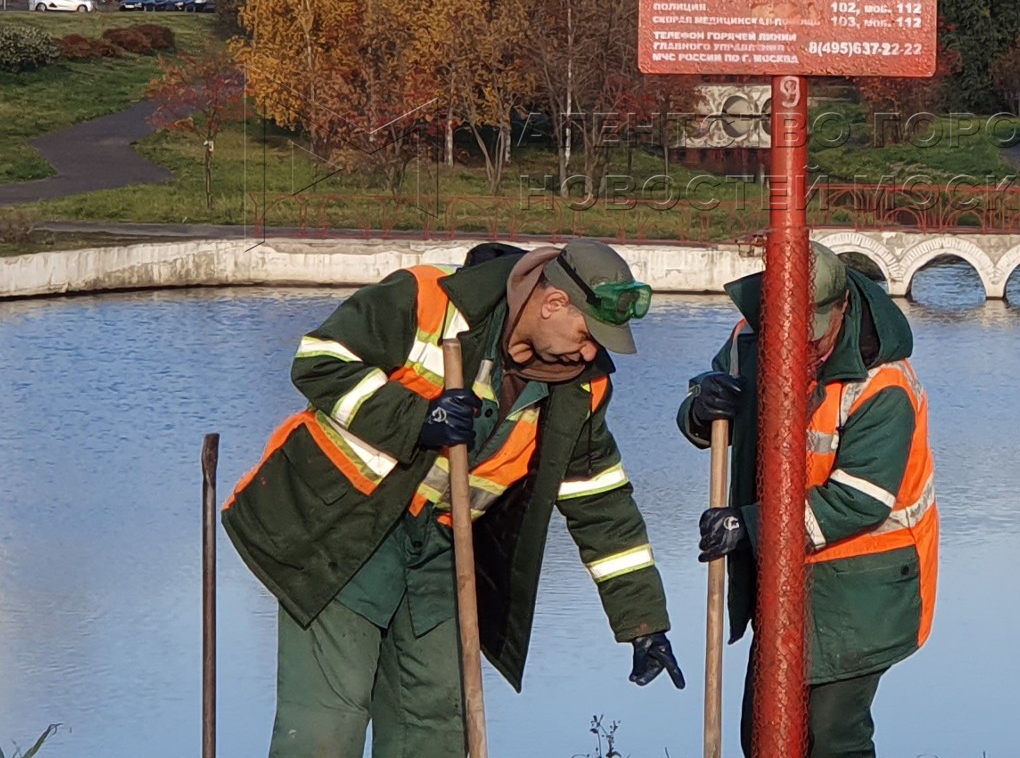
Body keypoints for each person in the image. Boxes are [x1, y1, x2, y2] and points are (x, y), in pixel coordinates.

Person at [224, 239, 684, 758]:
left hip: (441, 552)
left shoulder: (582, 387)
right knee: (326, 729)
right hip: (339, 530)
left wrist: (643, 624)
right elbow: (319, 360)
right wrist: (419, 419)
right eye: (585, 335)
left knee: (437, 730)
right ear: (553, 303)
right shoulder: (428, 298)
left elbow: (602, 507)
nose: (588, 353)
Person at [678, 242, 937, 758]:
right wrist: (703, 408)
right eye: (785, 336)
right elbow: (702, 423)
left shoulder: (882, 383)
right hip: (781, 579)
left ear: (841, 308)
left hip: (865, 593)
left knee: (830, 736)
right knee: (766, 733)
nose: (801, 350)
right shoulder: (748, 339)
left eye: (811, 338)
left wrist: (748, 528)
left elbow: (859, 502)